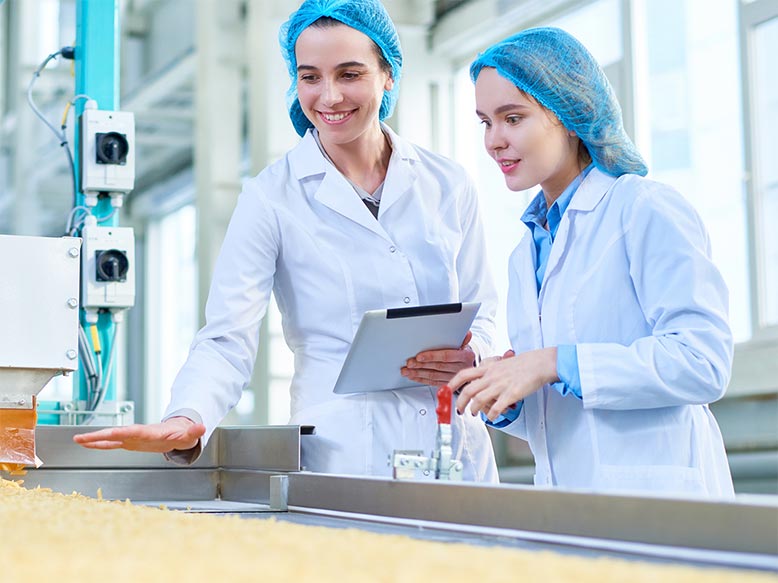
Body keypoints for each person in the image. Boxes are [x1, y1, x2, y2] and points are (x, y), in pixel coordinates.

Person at [74, 0, 499, 482]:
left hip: (456, 444)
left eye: (350, 73)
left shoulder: (447, 183)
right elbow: (227, 336)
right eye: (310, 76)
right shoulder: (271, 197)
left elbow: (483, 308)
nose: (329, 96)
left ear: (388, 75)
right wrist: (186, 417)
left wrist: (473, 354)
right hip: (346, 457)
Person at [448, 27, 734, 497]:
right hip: (568, 507)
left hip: (662, 502)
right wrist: (505, 394)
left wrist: (554, 363)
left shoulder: (642, 208)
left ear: (567, 112)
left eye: (513, 118)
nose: (494, 140)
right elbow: (564, 421)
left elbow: (702, 363)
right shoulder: (527, 251)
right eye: (485, 122)